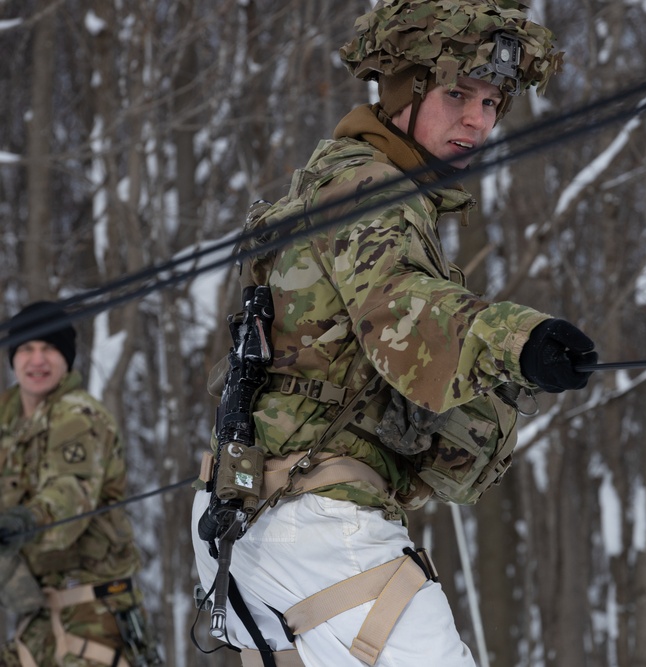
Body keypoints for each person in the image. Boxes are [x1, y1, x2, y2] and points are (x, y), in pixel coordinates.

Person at [191, 1, 596, 665]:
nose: (477, 120)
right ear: (403, 93)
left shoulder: (336, 182)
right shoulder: (372, 190)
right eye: (457, 94)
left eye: (493, 103)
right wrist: (520, 340)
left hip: (249, 524)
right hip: (318, 527)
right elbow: (407, 313)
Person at [0, 301, 161, 667]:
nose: (37, 360)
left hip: (93, 613)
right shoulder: (7, 419)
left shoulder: (78, 415)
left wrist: (24, 521)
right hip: (35, 617)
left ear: (67, 357)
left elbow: (68, 498)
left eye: (49, 348)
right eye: (26, 348)